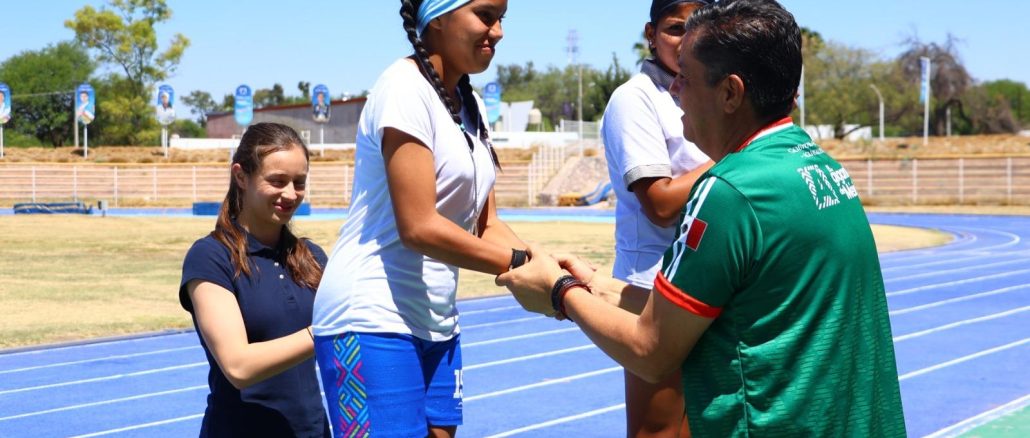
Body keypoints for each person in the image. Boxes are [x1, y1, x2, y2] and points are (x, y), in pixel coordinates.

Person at [497, 0, 907, 436]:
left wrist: (559, 293)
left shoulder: (729, 192)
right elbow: (726, 316)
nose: (673, 92)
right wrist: (595, 285)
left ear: (730, 93)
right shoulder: (822, 167)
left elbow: (651, 351)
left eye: (685, 79)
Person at [312, 1, 523, 437]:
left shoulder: (471, 105)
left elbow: (487, 225)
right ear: (438, 18)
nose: (498, 31)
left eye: (503, 18)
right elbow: (419, 226)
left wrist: (552, 267)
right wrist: (518, 265)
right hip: (370, 316)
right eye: (486, 15)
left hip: (437, 320)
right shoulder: (403, 89)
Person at [599, 1, 713, 435]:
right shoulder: (635, 99)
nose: (685, 38)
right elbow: (661, 206)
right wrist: (739, 151)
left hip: (705, 279)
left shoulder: (705, 91)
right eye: (673, 28)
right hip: (650, 287)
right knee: (659, 430)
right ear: (651, 33)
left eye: (697, 27)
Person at [179, 122, 330, 437]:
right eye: (277, 181)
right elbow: (238, 366)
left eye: (299, 183)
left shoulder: (312, 257)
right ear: (240, 176)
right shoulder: (211, 257)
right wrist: (324, 332)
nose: (290, 194)